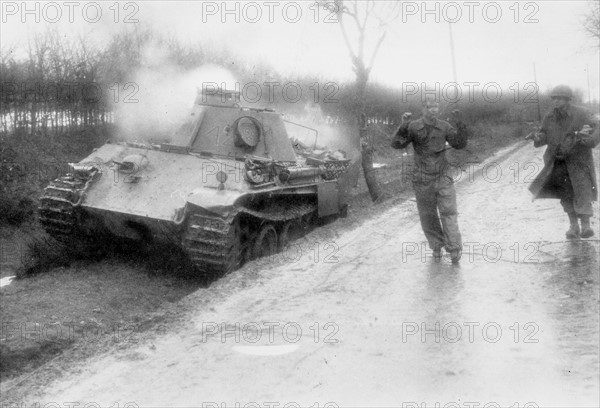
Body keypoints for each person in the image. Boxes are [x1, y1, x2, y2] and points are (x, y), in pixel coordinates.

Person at [392, 98, 469, 263]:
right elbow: (397, 144)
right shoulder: (413, 126)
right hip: (422, 179)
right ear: (423, 109)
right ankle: (436, 246)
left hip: (443, 177)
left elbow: (459, 144)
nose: (434, 110)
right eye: (430, 107)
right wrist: (403, 125)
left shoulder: (444, 126)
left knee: (449, 212)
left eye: (436, 107)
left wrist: (460, 124)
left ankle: (454, 248)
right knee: (428, 215)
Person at [529, 84, 600, 239]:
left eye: (560, 98)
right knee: (565, 192)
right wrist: (538, 137)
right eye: (554, 98)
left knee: (583, 190)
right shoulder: (549, 117)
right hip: (557, 160)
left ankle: (586, 225)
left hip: (579, 159)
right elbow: (544, 135)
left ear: (568, 99)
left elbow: (597, 125)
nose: (556, 101)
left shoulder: (582, 113)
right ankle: (573, 226)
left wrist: (591, 140)